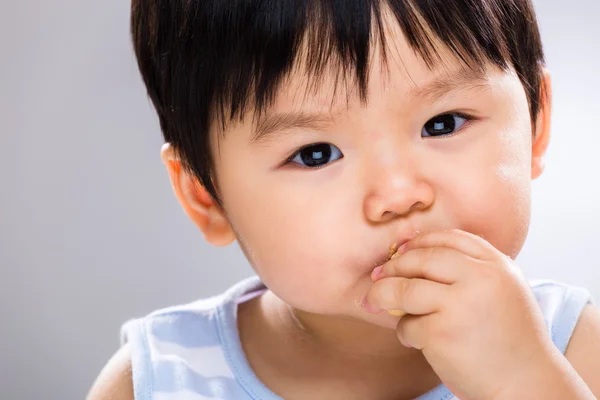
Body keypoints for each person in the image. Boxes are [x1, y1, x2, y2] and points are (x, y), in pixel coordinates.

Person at [87, 1, 600, 399]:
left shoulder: (570, 351)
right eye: (315, 154)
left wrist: (522, 382)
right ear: (208, 198)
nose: (398, 196)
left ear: (535, 125)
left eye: (442, 124)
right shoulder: (158, 382)